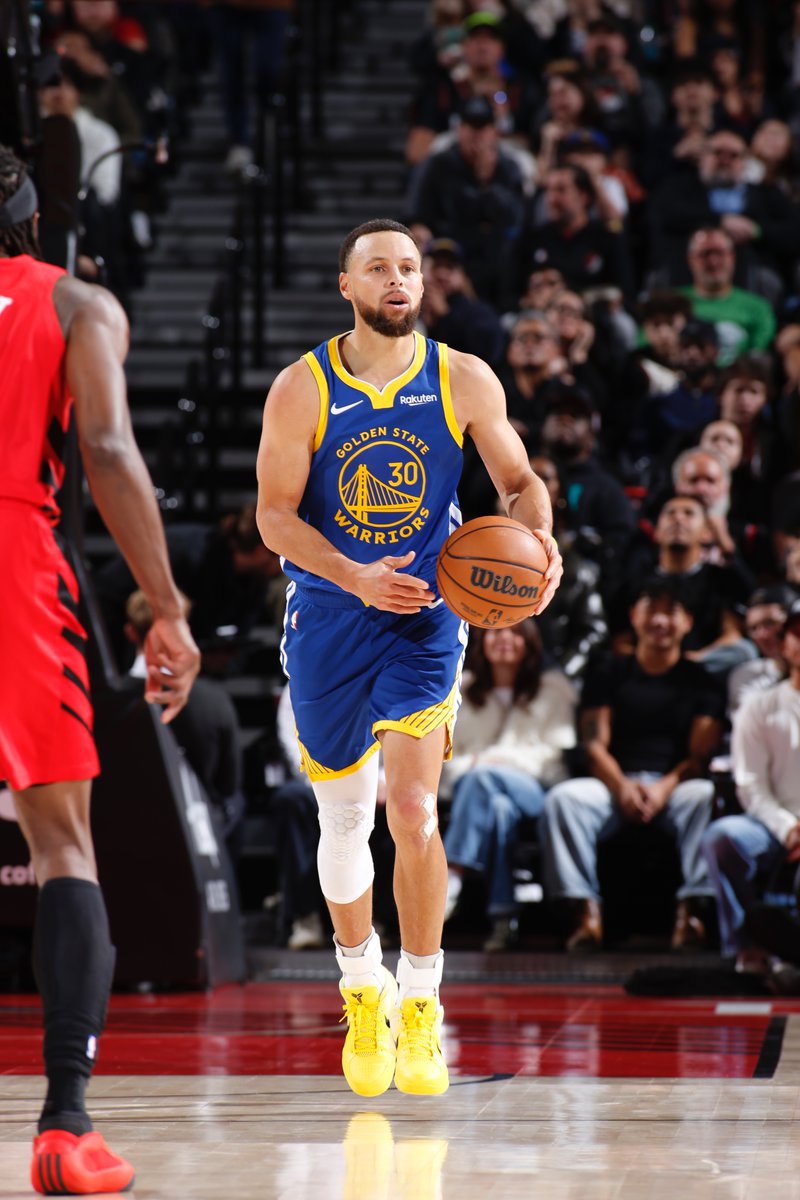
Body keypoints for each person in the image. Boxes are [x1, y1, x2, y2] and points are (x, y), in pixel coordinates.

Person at [255, 217, 562, 1099]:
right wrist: (354, 575)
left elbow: (519, 482)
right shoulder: (300, 389)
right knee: (345, 823)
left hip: (427, 616)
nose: (398, 280)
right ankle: (362, 985)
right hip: (331, 614)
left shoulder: (462, 376)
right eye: (379, 268)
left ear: (423, 286)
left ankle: (422, 999)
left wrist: (537, 540)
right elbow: (276, 517)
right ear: (345, 286)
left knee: (415, 811)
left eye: (410, 268)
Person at [0, 147, 200, 1194]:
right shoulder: (76, 302)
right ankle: (65, 1125)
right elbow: (112, 454)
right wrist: (163, 605)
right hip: (12, 557)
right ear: (34, 225)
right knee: (61, 841)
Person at [541, 578, 724, 952]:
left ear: (687, 621)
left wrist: (662, 789)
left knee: (704, 796)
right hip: (613, 784)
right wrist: (622, 786)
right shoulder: (609, 671)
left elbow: (699, 757)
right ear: (633, 617)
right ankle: (584, 912)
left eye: (670, 611)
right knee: (564, 800)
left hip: (675, 786)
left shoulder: (703, 682)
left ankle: (691, 913)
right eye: (651, 609)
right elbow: (594, 745)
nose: (660, 620)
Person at [440, 619, 577, 952]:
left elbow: (554, 758)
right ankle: (503, 919)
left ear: (530, 643)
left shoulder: (553, 691)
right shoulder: (461, 689)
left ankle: (451, 876)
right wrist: (480, 766)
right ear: (482, 641)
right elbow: (444, 758)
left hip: (536, 789)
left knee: (484, 777)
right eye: (496, 631)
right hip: (474, 792)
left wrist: (496, 762)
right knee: (499, 809)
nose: (505, 639)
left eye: (515, 632)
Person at [702, 600, 800, 972]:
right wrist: (789, 829)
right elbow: (751, 787)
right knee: (723, 837)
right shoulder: (759, 707)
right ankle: (747, 946)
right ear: (785, 643)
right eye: (797, 634)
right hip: (774, 823)